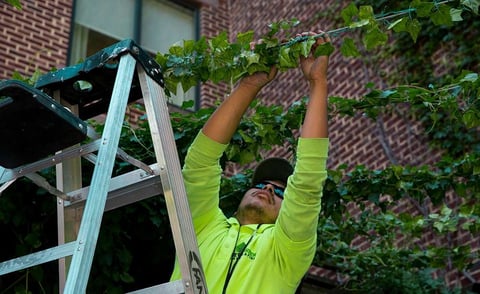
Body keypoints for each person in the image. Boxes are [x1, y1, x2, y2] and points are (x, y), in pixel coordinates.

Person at [170, 31, 330, 293]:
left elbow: (307, 183)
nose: (268, 189)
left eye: (280, 192)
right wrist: (248, 85)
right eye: (264, 184)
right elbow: (200, 162)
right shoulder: (202, 227)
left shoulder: (286, 251)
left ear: (286, 216)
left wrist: (318, 81)